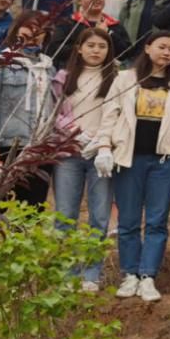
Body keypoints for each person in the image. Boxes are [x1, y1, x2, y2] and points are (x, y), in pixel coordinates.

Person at [95, 31, 170, 301]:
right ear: (148, 48)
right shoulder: (125, 79)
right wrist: (104, 145)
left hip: (163, 161)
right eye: (161, 47)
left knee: (157, 221)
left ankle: (148, 276)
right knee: (128, 221)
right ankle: (129, 274)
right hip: (129, 159)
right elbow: (110, 114)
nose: (166, 53)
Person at [51, 27, 117, 292]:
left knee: (99, 216)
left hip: (101, 154)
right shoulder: (63, 77)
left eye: (102, 46)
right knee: (65, 215)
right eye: (90, 45)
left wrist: (100, 140)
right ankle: (67, 273)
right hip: (69, 153)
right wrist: (76, 134)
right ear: (79, 48)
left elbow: (119, 115)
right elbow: (54, 113)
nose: (96, 50)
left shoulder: (116, 78)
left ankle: (91, 273)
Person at [0, 12, 59, 206]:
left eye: (40, 30)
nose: (33, 33)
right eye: (28, 27)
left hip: (40, 148)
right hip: (9, 145)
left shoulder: (49, 67)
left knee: (33, 208)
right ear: (16, 30)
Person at [47, 0, 132, 67]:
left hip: (106, 72)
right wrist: (85, 49)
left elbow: (126, 52)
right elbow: (54, 49)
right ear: (79, 0)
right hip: (73, 71)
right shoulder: (68, 22)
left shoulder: (114, 24)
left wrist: (109, 33)